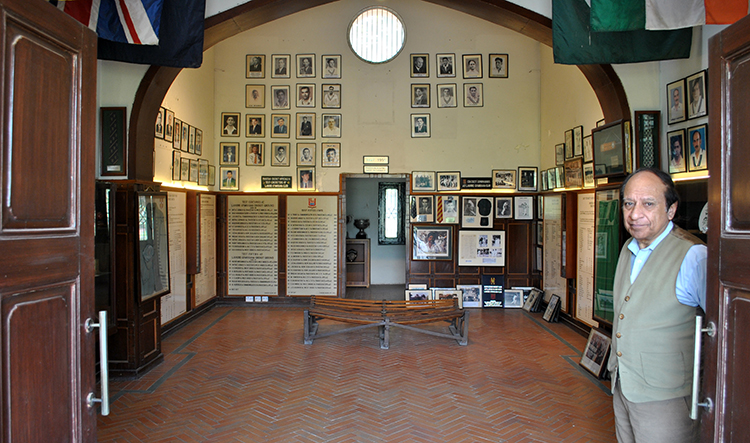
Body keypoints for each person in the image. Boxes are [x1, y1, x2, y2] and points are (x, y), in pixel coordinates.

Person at [607, 168, 706, 443]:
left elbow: (722, 328)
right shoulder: (629, 249)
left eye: (648, 204)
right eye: (629, 203)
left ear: (671, 209)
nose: (635, 213)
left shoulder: (693, 256)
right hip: (624, 387)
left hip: (667, 396)